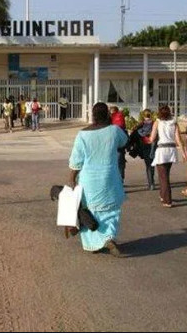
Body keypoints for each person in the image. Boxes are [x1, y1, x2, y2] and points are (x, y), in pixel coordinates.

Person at [68, 102, 128, 256]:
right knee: (111, 211)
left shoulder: (82, 134)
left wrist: (71, 180)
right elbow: (124, 141)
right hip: (110, 179)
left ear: (93, 116)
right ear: (107, 115)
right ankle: (108, 237)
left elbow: (76, 161)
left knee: (91, 211)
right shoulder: (114, 131)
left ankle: (96, 243)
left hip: (89, 181)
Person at [150, 105, 187, 208]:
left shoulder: (157, 122)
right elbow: (178, 138)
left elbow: (152, 138)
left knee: (163, 177)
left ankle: (167, 200)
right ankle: (163, 195)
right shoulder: (173, 123)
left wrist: (149, 138)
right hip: (171, 150)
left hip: (162, 150)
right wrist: (183, 152)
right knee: (165, 174)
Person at [137, 109, 156, 190]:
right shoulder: (154, 123)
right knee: (152, 164)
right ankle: (152, 182)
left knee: (147, 165)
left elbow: (138, 132)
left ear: (143, 115)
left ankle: (150, 183)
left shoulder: (141, 124)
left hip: (144, 145)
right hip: (153, 145)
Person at [109, 106, 127, 181]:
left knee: (113, 163)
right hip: (121, 144)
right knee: (121, 162)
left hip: (112, 144)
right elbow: (124, 127)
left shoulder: (111, 118)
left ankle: (115, 180)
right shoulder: (121, 116)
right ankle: (121, 179)